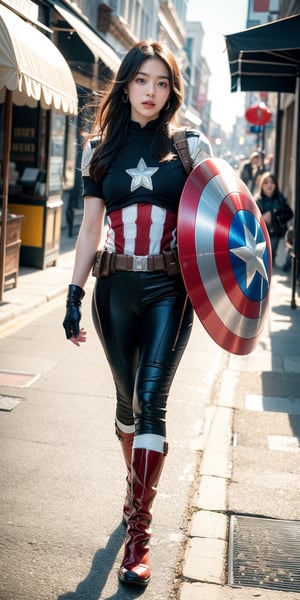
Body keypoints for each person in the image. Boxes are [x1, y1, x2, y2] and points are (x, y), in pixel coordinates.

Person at [62, 39, 212, 587]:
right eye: (142, 80)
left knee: (152, 404)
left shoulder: (189, 148)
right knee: (127, 408)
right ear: (125, 84)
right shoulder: (100, 148)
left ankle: (139, 534)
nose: (152, 92)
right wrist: (74, 294)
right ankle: (137, 489)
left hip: (169, 293)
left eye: (162, 82)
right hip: (113, 292)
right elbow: (87, 226)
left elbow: (222, 219)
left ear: (172, 90)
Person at [255, 172, 293, 264]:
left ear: (275, 185)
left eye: (272, 182)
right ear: (261, 185)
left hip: (276, 233)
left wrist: (274, 215)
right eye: (266, 182)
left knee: (271, 256)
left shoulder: (280, 199)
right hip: (261, 234)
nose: (269, 185)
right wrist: (262, 218)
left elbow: (290, 214)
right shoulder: (256, 200)